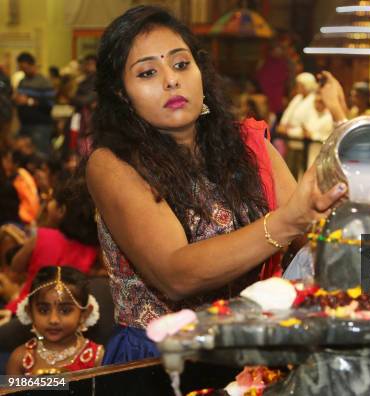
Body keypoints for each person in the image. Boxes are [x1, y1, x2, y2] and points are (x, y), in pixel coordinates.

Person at [84, 6, 346, 364]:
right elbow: (176, 274)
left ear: (200, 72)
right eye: (147, 72)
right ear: (120, 94)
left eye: (180, 64)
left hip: (251, 350)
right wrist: (288, 222)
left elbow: (313, 231)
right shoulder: (113, 163)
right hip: (159, 359)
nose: (171, 80)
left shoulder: (248, 145)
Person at [5, 175, 99, 315]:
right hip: (64, 318)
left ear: (61, 211)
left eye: (52, 200)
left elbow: (15, 266)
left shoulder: (43, 236)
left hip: (24, 312)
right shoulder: (93, 251)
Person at [6, 266, 104, 375]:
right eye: (43, 310)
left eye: (65, 310)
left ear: (84, 314)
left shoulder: (97, 358)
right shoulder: (20, 359)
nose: (53, 320)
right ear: (30, 312)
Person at [13, 52, 56, 156]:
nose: (23, 70)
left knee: (40, 155)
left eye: (25, 67)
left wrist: (29, 101)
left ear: (32, 65)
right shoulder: (22, 81)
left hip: (40, 126)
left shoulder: (44, 82)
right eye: (21, 68)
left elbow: (49, 105)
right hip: (25, 124)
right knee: (24, 156)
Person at [277, 72, 319, 177]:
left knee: (300, 175)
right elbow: (285, 119)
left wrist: (290, 130)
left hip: (303, 145)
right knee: (288, 174)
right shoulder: (297, 98)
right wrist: (285, 126)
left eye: (300, 85)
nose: (297, 87)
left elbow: (308, 127)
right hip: (291, 143)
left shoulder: (313, 100)